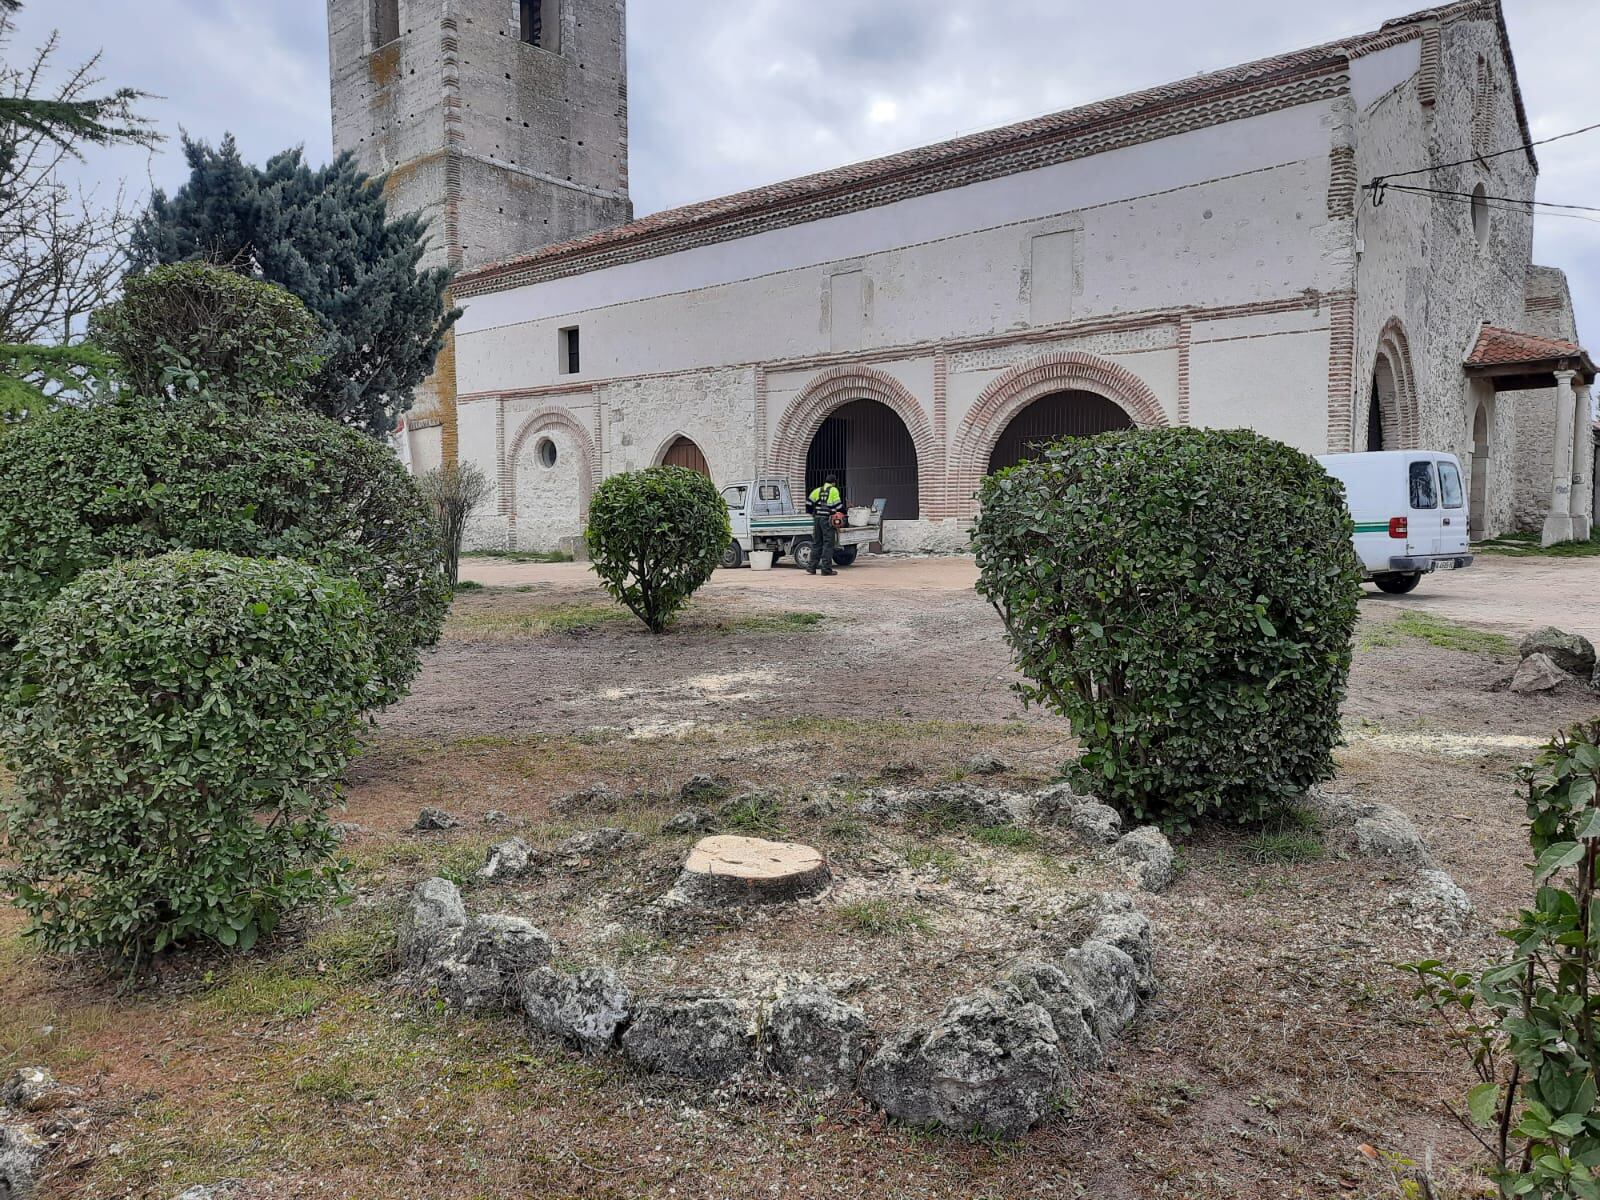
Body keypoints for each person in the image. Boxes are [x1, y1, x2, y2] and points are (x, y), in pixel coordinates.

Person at [806, 473, 844, 576]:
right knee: (828, 544)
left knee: (817, 543)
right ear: (833, 483)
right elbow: (838, 506)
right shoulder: (833, 490)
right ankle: (826, 569)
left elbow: (808, 503)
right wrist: (844, 512)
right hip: (827, 520)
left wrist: (813, 513)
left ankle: (811, 567)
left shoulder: (817, 490)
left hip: (817, 519)